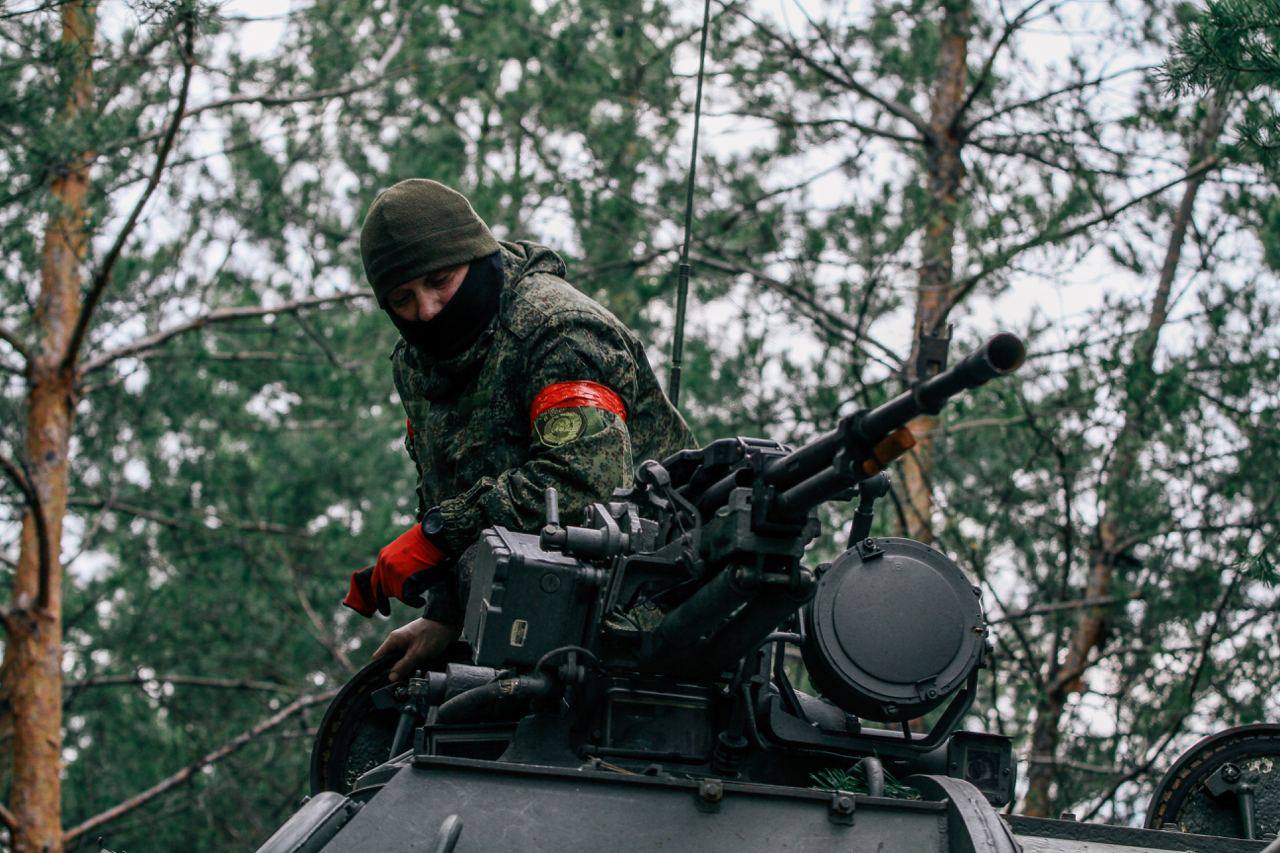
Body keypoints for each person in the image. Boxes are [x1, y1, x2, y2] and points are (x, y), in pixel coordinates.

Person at [341, 179, 695, 682]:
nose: (427, 310)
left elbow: (584, 487)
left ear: (476, 255)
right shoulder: (419, 365)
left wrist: (438, 536)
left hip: (646, 607)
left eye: (440, 279)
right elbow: (449, 481)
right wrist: (443, 614)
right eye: (403, 297)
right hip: (534, 609)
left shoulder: (559, 328)